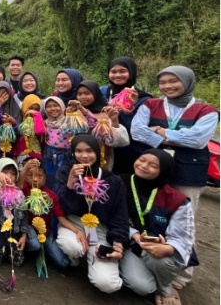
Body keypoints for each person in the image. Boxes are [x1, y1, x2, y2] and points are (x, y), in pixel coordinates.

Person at [131, 65, 218, 289]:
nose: (167, 86)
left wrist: (162, 132)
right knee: (153, 211)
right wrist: (177, 137)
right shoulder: (151, 104)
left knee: (184, 220)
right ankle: (153, 261)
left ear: (187, 82)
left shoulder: (206, 111)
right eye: (163, 82)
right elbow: (137, 131)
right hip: (152, 168)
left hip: (187, 171)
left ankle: (181, 274)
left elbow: (198, 140)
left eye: (173, 81)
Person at [55, 134, 129, 294]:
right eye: (78, 151)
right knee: (72, 247)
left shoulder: (113, 180)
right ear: (73, 153)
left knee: (107, 284)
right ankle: (76, 258)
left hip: (101, 231)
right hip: (74, 224)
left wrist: (117, 244)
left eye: (89, 150)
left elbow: (120, 215)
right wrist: (70, 183)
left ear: (97, 152)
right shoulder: (67, 172)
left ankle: (105, 264)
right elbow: (64, 207)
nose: (84, 155)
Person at [119, 150, 194, 305]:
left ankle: (165, 288)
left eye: (153, 165)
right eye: (141, 159)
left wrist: (168, 248)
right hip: (128, 243)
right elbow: (110, 218)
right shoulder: (120, 183)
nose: (144, 166)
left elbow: (184, 237)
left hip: (155, 251)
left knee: (161, 261)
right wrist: (134, 235)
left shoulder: (175, 199)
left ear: (163, 171)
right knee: (142, 287)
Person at [101, 57, 153, 175]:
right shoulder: (103, 93)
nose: (118, 75)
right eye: (113, 72)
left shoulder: (143, 99)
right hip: (106, 148)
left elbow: (139, 129)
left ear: (131, 72)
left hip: (129, 151)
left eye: (122, 71)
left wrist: (129, 109)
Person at [18, 158, 71, 268]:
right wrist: (25, 168)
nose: (35, 179)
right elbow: (17, 186)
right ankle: (27, 249)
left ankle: (44, 248)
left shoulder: (50, 195)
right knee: (35, 244)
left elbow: (61, 218)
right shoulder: (24, 190)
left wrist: (77, 231)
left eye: (39, 176)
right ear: (25, 178)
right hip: (28, 227)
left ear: (45, 178)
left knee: (63, 263)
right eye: (30, 176)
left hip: (45, 231)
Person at [0, 157, 33, 267]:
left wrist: (24, 236)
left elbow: (24, 218)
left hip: (13, 232)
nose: (9, 176)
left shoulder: (20, 195)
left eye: (13, 174)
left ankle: (6, 248)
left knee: (17, 262)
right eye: (5, 172)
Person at [76, 80, 130, 170]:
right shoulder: (75, 113)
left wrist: (114, 121)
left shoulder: (106, 112)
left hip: (102, 158)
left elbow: (121, 141)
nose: (83, 97)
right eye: (79, 94)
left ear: (96, 93)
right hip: (79, 157)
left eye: (87, 93)